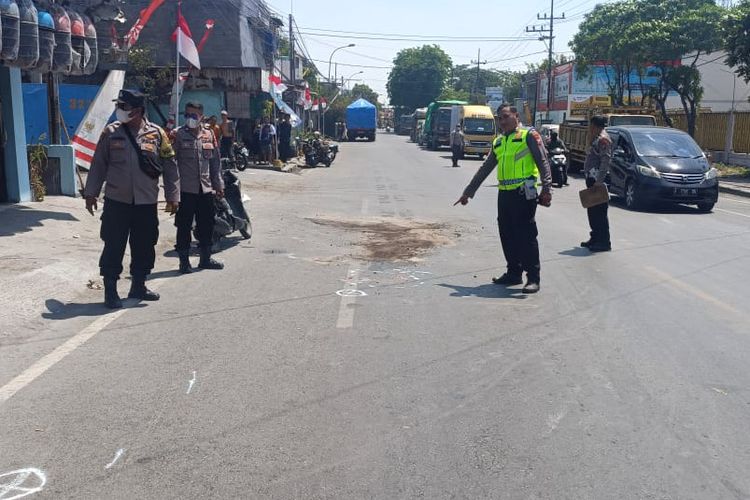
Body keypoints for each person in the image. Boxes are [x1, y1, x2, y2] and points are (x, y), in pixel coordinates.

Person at [83, 89, 180, 309]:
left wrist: (173, 195)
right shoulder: (110, 132)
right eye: (119, 106)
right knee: (113, 245)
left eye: (124, 107)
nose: (119, 111)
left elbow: (170, 166)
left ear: (137, 111)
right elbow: (99, 164)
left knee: (144, 245)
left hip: (146, 202)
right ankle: (110, 291)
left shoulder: (158, 134)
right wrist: (91, 193)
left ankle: (139, 285)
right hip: (117, 201)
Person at [455, 103, 552, 294]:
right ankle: (513, 272)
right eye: (499, 118)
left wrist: (547, 189)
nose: (502, 121)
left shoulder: (529, 136)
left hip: (525, 193)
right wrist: (468, 192)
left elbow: (543, 162)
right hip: (505, 193)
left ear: (516, 116)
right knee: (506, 234)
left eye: (506, 116)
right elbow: (485, 168)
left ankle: (533, 278)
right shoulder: (498, 142)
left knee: (526, 235)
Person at [172, 101, 225, 273]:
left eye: (193, 116)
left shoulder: (209, 134)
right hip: (186, 190)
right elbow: (171, 163)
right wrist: (173, 191)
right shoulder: (178, 135)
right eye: (186, 115)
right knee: (184, 226)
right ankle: (184, 262)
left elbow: (215, 162)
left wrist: (218, 185)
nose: (189, 119)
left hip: (205, 189)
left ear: (201, 116)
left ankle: (205, 258)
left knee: (206, 225)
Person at [581, 115, 612, 252]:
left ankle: (603, 242)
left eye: (590, 126)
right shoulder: (596, 138)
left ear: (595, 126)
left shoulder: (603, 139)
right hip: (592, 179)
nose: (589, 128)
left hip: (598, 181)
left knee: (599, 213)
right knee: (592, 211)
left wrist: (599, 181)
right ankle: (595, 237)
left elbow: (606, 161)